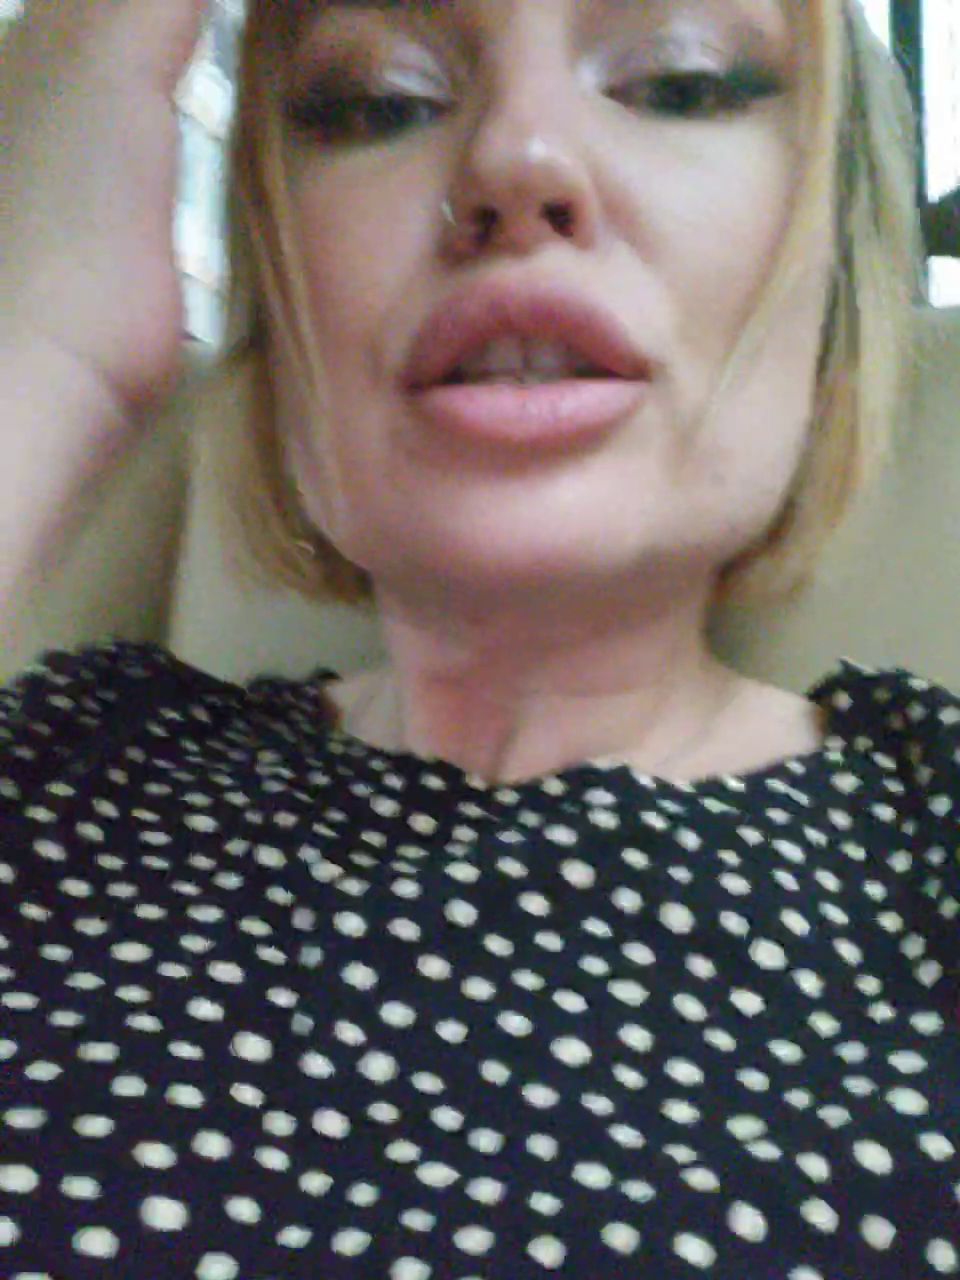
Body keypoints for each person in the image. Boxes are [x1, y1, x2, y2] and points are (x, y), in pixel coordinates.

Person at [1, 1, 958, 1277]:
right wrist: (39, 359)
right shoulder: (76, 761)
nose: (516, 159)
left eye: (680, 83)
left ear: (831, 271)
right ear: (279, 308)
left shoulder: (931, 827)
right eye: (378, 101)